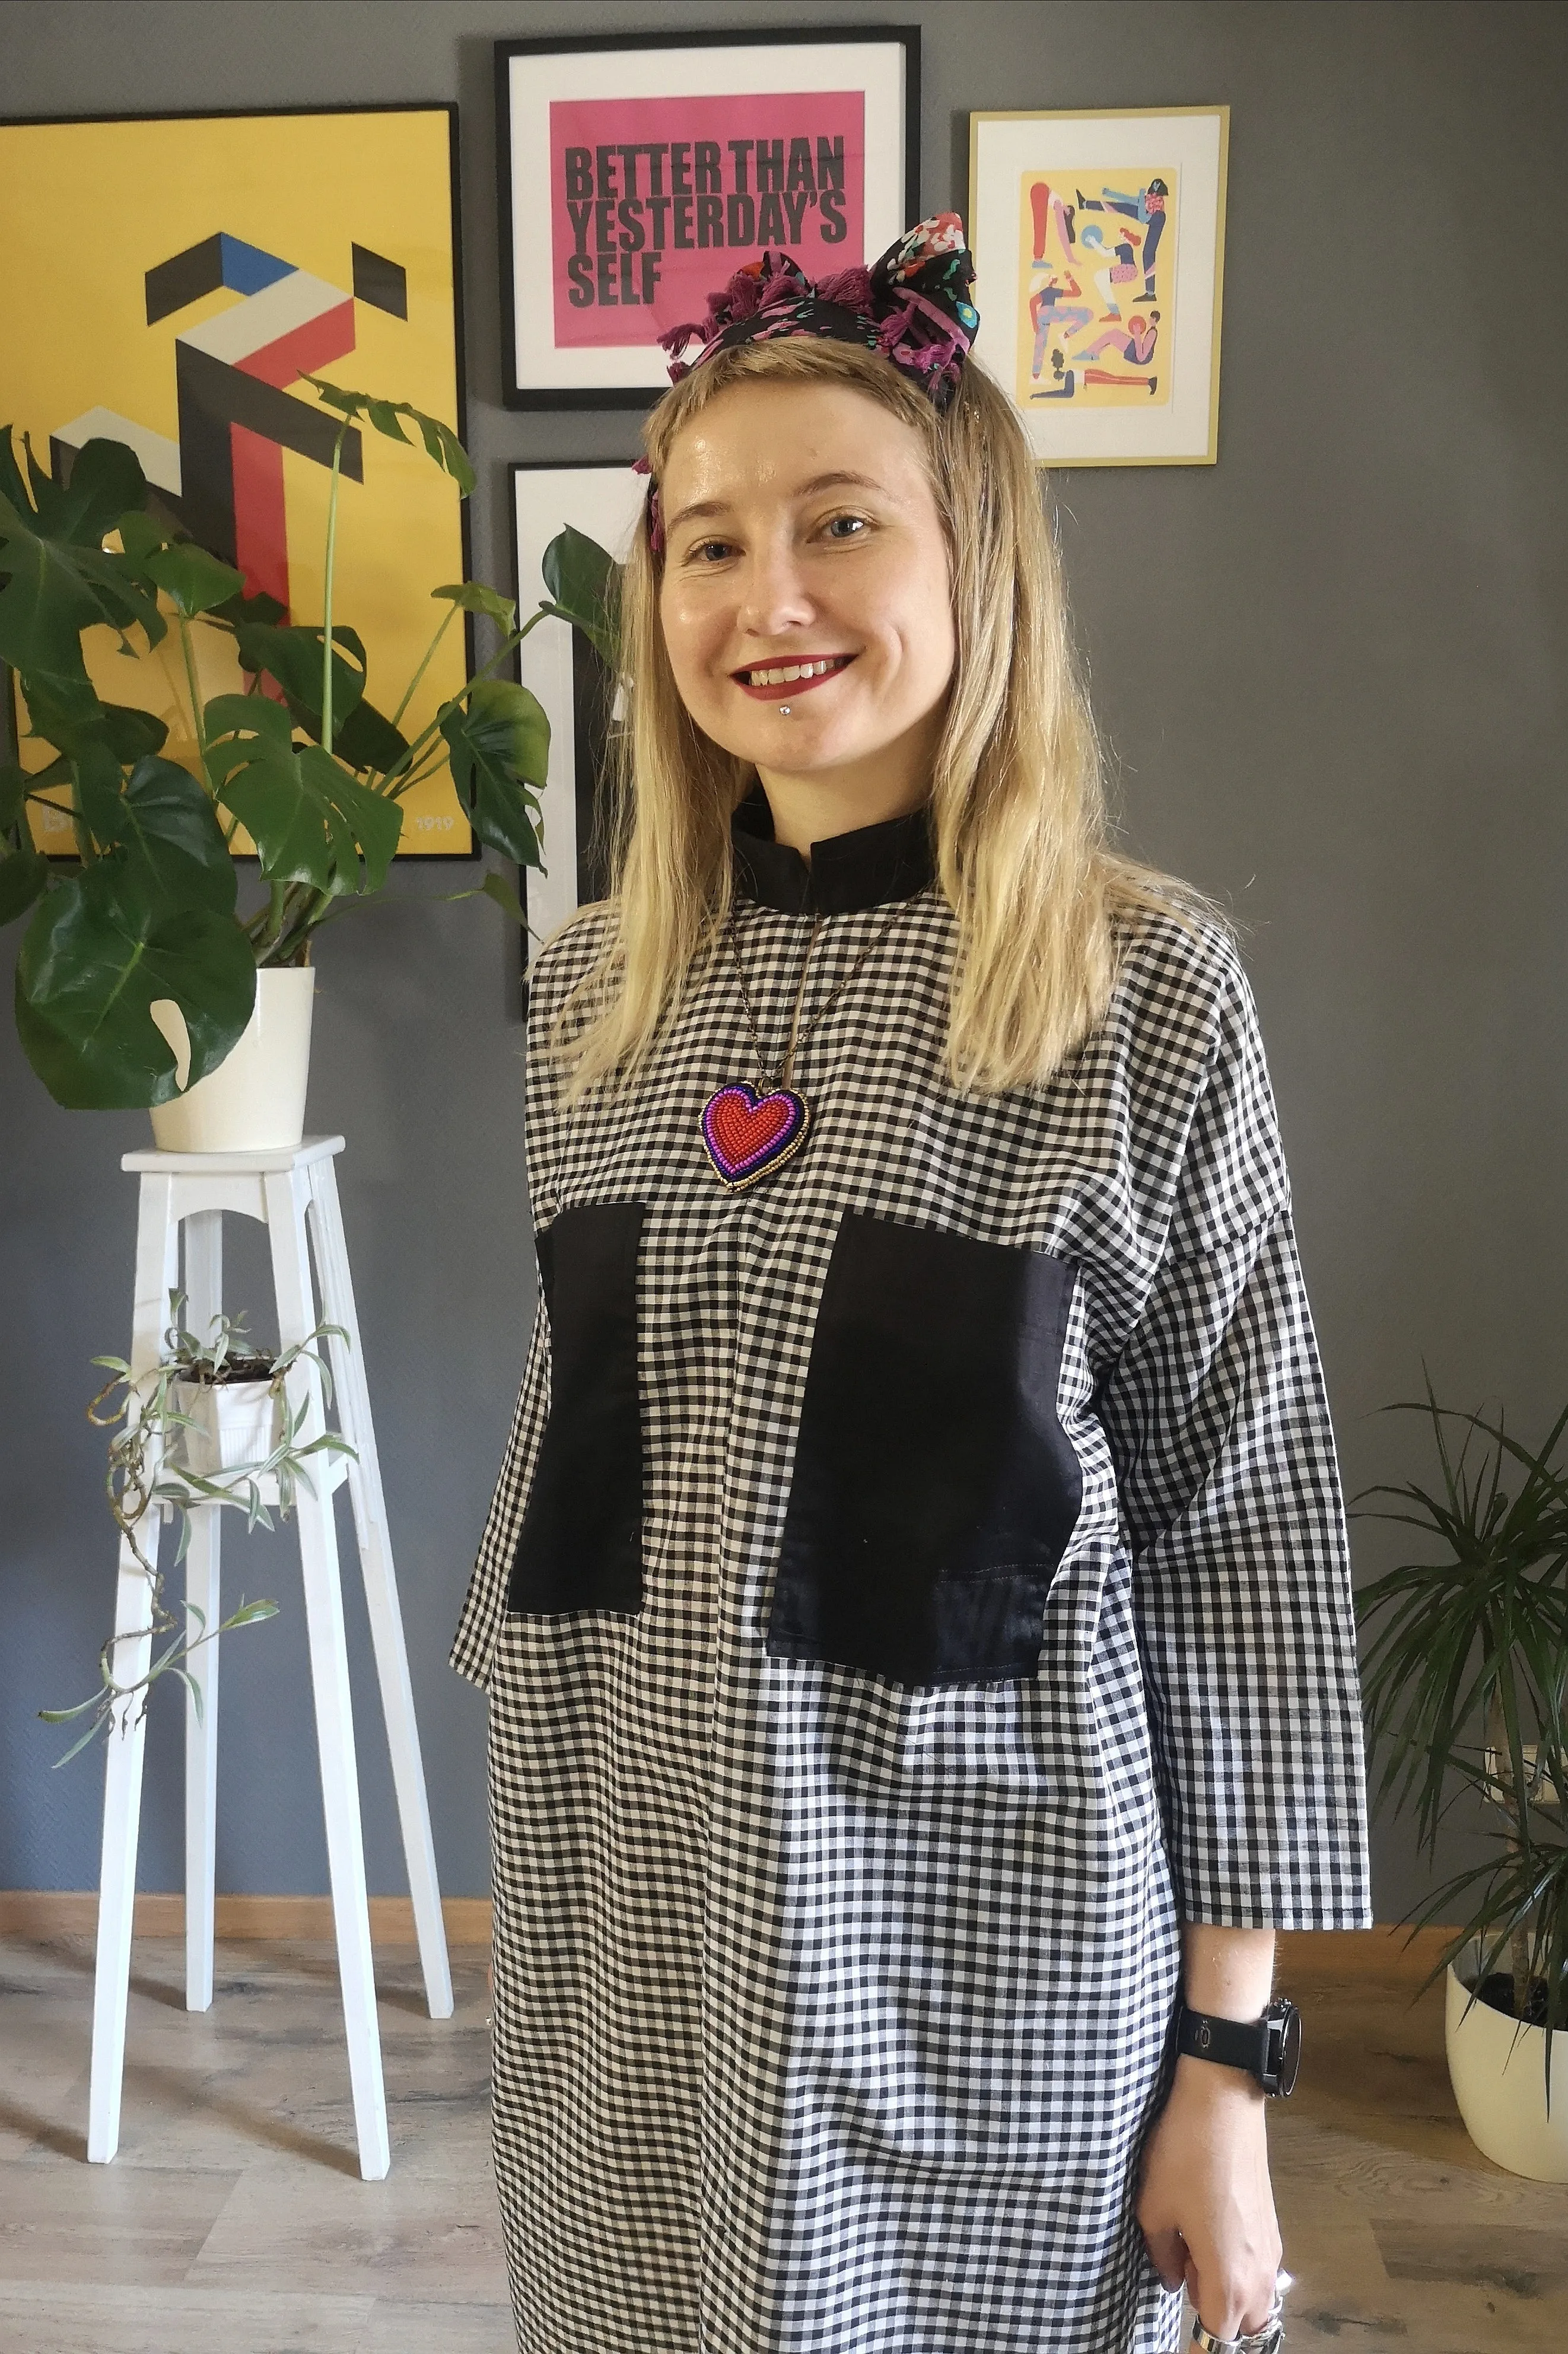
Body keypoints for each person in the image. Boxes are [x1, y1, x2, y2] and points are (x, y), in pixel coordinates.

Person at [451, 213, 1370, 2354]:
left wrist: (1228, 2077)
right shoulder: (593, 997)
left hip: (994, 1981)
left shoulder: (1142, 992)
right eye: (701, 544)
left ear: (981, 566)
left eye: (837, 523)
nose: (764, 598)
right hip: (634, 1973)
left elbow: (1245, 1554)